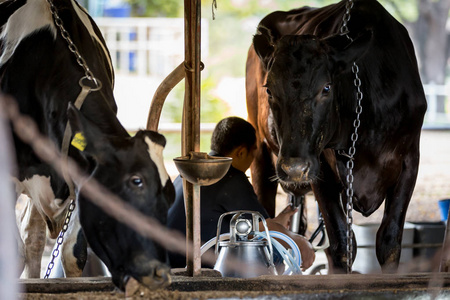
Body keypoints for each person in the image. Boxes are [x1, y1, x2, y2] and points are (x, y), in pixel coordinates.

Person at [167, 117, 315, 270]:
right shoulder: (231, 177)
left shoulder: (188, 173)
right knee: (272, 252)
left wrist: (279, 221)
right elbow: (264, 229)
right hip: (193, 267)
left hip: (169, 260)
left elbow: (259, 226)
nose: (252, 161)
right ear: (241, 152)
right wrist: (300, 241)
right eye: (253, 154)